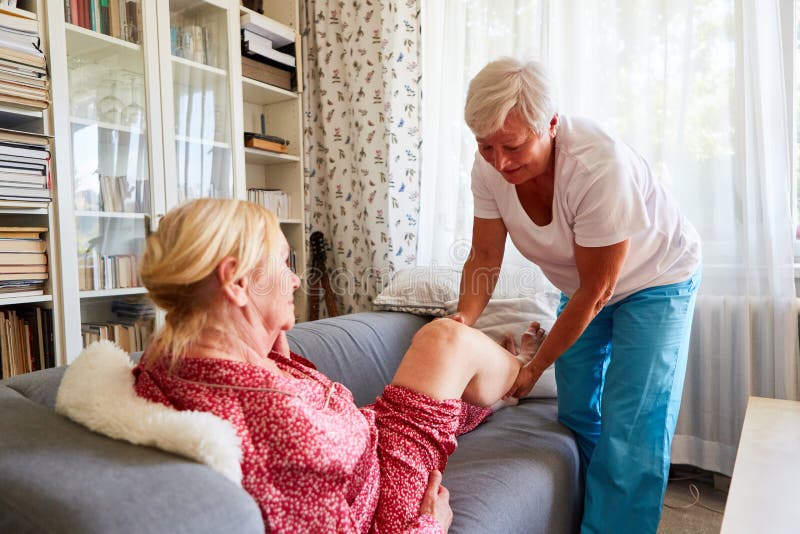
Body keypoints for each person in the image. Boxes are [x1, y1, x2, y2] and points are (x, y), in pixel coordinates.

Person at [131, 198, 541, 533]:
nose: (294, 281)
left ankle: (503, 384)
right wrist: (431, 526)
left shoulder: (177, 354)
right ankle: (521, 373)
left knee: (443, 345)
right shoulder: (279, 428)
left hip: (370, 440)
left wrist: (269, 329)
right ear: (237, 284)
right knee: (447, 339)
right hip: (388, 497)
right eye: (284, 263)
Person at [449, 57, 702, 534]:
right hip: (581, 286)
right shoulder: (489, 169)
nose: (500, 161)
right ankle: (591, 507)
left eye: (514, 145)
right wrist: (462, 321)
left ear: (550, 123)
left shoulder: (596, 163)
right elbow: (484, 254)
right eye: (486, 146)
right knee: (577, 407)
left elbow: (598, 289)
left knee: (633, 427)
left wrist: (534, 366)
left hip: (656, 279)